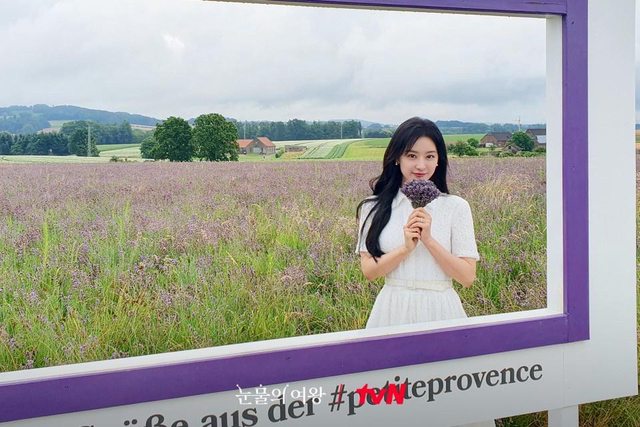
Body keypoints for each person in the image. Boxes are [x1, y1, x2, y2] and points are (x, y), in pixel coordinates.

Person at [356, 117, 479, 328]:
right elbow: (369, 271)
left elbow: (467, 277)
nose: (421, 165)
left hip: (441, 309)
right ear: (397, 158)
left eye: (430, 156)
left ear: (439, 160)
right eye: (411, 155)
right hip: (391, 309)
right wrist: (405, 248)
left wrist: (429, 240)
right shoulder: (373, 207)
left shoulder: (456, 207)